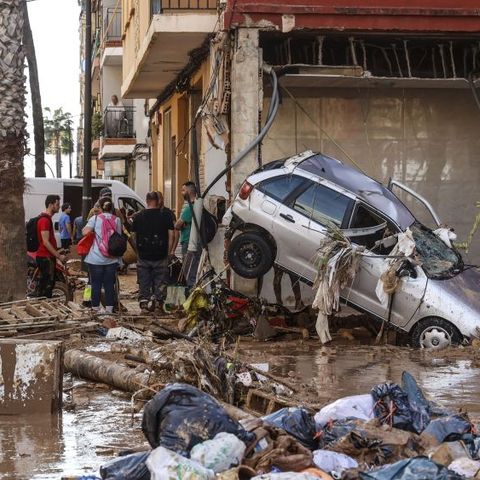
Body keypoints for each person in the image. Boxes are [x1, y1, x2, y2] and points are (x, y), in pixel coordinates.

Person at [131, 192, 174, 312]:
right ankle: (159, 304)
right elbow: (171, 235)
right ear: (158, 200)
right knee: (161, 280)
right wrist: (169, 252)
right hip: (161, 254)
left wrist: (137, 251)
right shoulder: (166, 216)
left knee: (144, 280)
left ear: (147, 200)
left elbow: (133, 236)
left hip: (143, 255)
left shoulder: (138, 216)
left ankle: (144, 304)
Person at [82, 197, 122, 313]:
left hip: (95, 258)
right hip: (111, 258)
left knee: (96, 284)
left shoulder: (95, 218)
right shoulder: (117, 220)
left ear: (100, 207)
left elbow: (84, 232)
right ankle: (109, 310)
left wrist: (94, 231)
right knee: (109, 284)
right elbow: (118, 237)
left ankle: (96, 308)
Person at [35, 195, 66, 298]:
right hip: (45, 257)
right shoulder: (44, 220)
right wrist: (58, 256)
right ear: (50, 205)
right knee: (47, 286)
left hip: (47, 256)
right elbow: (45, 242)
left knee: (47, 284)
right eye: (57, 204)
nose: (59, 206)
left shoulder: (47, 219)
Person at [175, 181, 201, 289]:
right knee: (193, 269)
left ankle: (192, 294)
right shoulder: (197, 206)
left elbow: (177, 225)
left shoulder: (191, 207)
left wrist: (181, 223)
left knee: (189, 270)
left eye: (183, 190)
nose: (182, 193)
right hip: (196, 242)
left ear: (189, 191)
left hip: (189, 243)